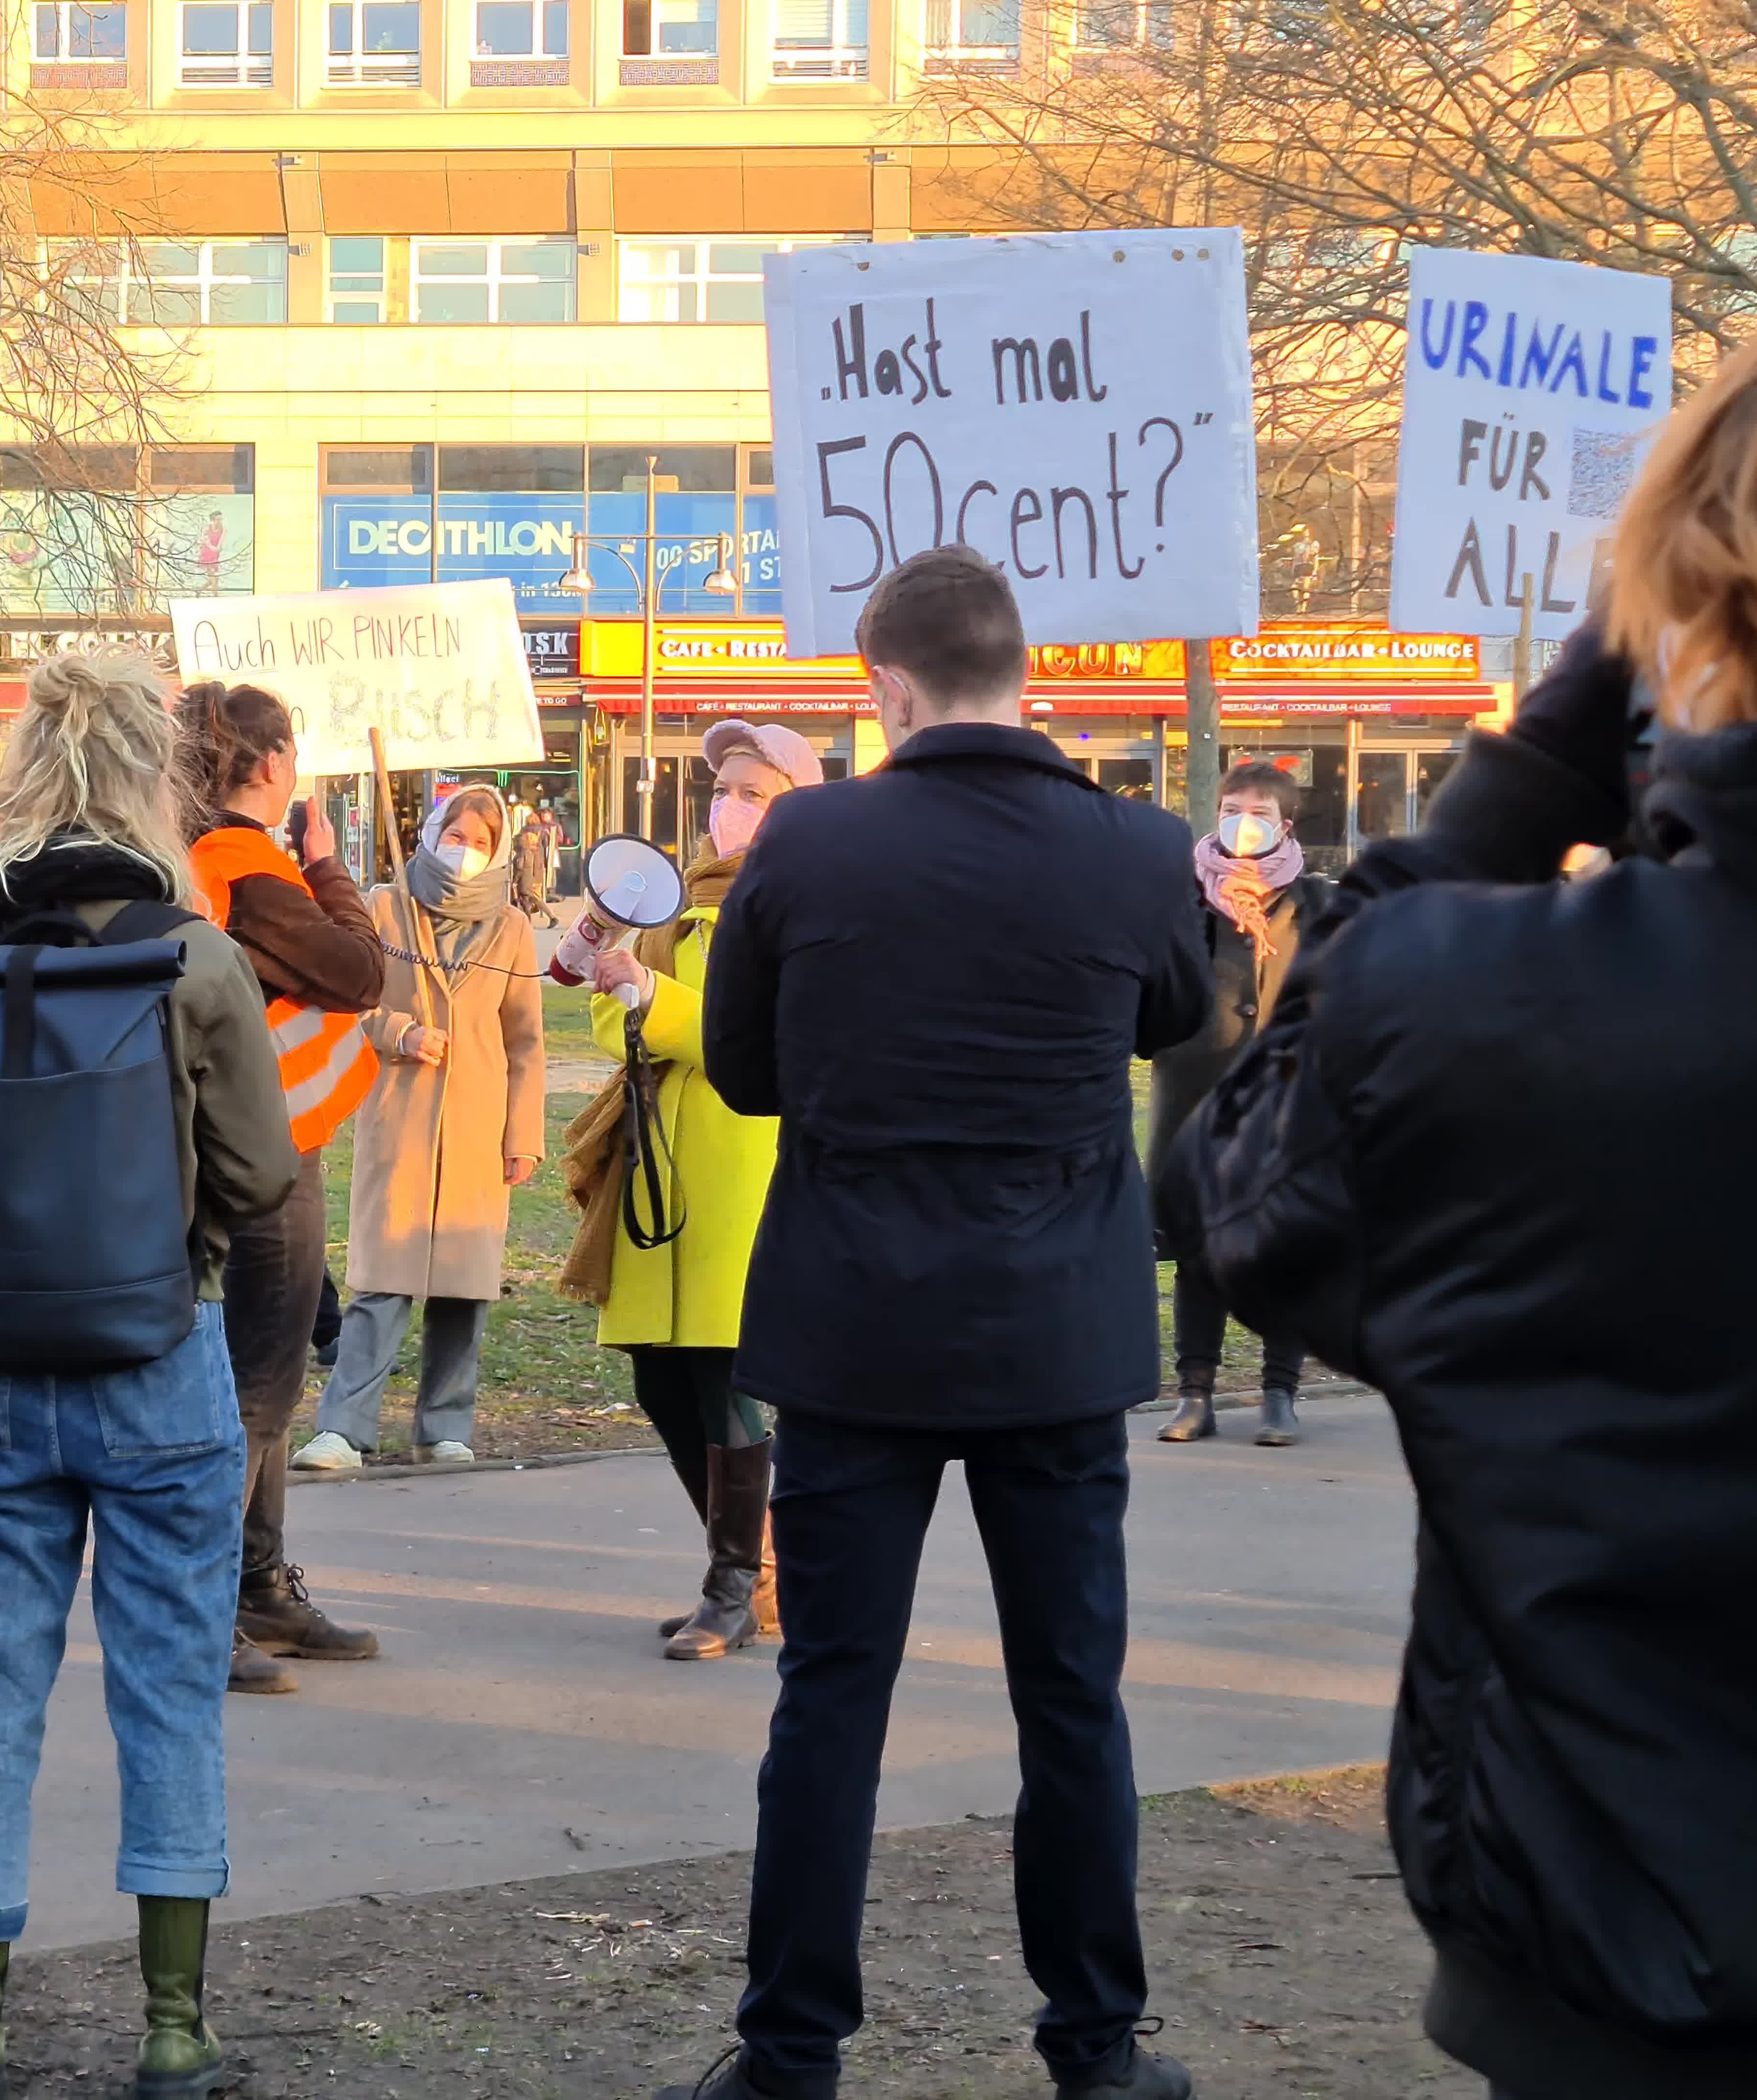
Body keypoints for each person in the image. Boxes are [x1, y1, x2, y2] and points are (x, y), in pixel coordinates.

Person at [1164, 259, 1757, 2100]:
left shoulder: (1482, 1016)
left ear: (1694, 600)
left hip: (1634, 2003)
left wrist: (1522, 779)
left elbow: (1229, 1191)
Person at [661, 548, 1208, 2100]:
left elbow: (753, 1071)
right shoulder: (1134, 846)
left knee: (833, 1691)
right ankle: (1097, 2050)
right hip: (1055, 1332)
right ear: (1020, 672)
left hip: (856, 1328)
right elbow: (1181, 1014)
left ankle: (789, 2057)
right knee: (1070, 1697)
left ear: (888, 683)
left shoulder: (811, 844)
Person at [0, 653, 298, 2100]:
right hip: (154, 1357)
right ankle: (174, 2033)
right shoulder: (192, 951)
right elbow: (258, 1174)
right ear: (149, 782)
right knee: (169, 1692)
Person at [558, 719, 821, 1662]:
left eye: (754, 792)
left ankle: (735, 1587)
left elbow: (769, 1038)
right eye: (724, 788)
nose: (730, 806)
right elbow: (606, 1018)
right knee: (663, 1380)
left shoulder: (797, 903)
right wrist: (620, 988)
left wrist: (655, 1004)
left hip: (739, 1167)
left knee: (724, 1383)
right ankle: (763, 1570)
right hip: (658, 1167)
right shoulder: (676, 902)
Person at [177, 680, 386, 1696]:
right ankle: (215, 1607)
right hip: (262, 1152)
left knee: (264, 1380)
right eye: (292, 751)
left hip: (225, 1140)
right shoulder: (247, 863)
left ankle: (258, 1587)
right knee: (257, 1389)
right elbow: (357, 970)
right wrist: (331, 864)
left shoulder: (192, 856)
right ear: (270, 765)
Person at [297, 785, 544, 1471]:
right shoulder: (384, 907)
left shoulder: (512, 928)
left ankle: (444, 1428)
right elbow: (345, 1005)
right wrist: (399, 1033)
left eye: (481, 844)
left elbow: (525, 1042)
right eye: (456, 836)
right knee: (382, 1284)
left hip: (477, 1127)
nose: (465, 854)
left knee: (465, 1291)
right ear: (433, 833)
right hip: (400, 1119)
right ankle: (344, 1428)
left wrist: (523, 1136)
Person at [1148, 758, 1330, 1447]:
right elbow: (1154, 990)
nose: (1243, 823)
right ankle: (1194, 1394)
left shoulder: (1314, 904)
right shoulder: (1182, 897)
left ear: (1284, 825)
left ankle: (1279, 1394)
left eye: (1259, 812)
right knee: (1199, 1253)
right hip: (1195, 1101)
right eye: (1233, 807)